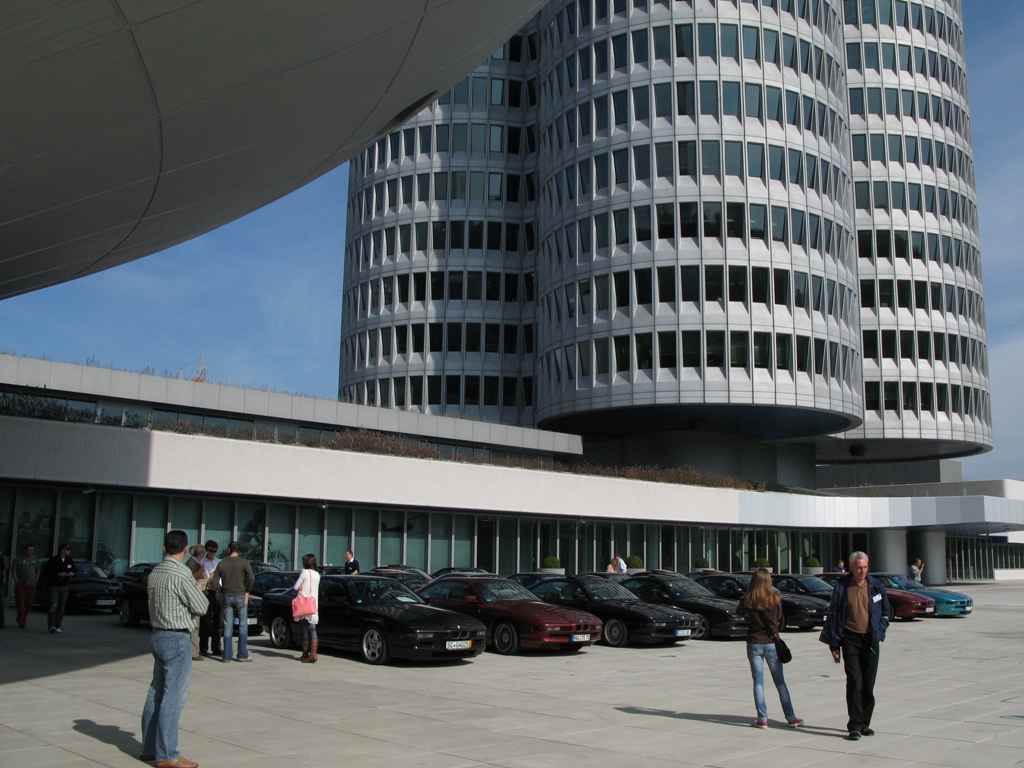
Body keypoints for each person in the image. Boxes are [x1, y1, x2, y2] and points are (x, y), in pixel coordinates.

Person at [140, 529, 208, 768]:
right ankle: (168, 754)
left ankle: (149, 748)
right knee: (174, 696)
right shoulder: (181, 573)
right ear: (186, 549)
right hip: (177, 637)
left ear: (164, 548)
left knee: (156, 692)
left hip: (157, 634)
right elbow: (201, 606)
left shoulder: (156, 572)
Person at [819, 551, 891, 741]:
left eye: (865, 567)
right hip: (850, 639)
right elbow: (834, 615)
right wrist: (834, 645)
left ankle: (865, 723)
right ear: (851, 567)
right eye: (859, 567)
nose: (863, 571)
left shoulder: (876, 586)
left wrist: (880, 629)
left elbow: (886, 611)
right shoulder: (842, 586)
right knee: (854, 681)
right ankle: (855, 725)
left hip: (870, 641)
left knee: (868, 684)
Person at [736, 568, 803, 729]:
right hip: (772, 643)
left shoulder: (748, 599)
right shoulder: (775, 599)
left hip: (754, 642)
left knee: (758, 683)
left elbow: (739, 612)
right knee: (780, 682)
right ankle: (791, 717)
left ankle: (762, 719)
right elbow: (778, 618)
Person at [213, 541, 255, 662]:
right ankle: (242, 654)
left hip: (227, 595)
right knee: (242, 625)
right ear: (239, 550)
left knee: (227, 626)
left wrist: (221, 590)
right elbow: (251, 577)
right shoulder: (244, 562)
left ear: (229, 550)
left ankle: (227, 656)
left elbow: (214, 582)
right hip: (241, 594)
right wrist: (247, 591)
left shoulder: (222, 563)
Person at [292, 553, 322, 663]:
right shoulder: (317, 574)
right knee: (312, 628)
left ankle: (305, 654)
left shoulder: (304, 572)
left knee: (304, 627)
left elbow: (296, 586)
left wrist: (300, 587)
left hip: (304, 603)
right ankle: (313, 654)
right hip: (313, 604)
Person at [44, 543, 77, 634]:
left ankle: (58, 625)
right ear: (62, 550)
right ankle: (51, 626)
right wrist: (58, 574)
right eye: (67, 549)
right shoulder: (53, 560)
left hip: (65, 586)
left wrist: (72, 573)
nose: (69, 551)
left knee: (61, 608)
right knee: (53, 607)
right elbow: (48, 572)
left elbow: (74, 570)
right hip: (55, 586)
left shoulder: (69, 560)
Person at [197, 540, 222, 657]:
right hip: (206, 592)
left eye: (214, 551)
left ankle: (216, 647)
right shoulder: (201, 562)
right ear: (206, 550)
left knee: (219, 621)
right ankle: (203, 648)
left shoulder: (219, 562)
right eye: (210, 551)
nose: (212, 553)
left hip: (218, 591)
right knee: (205, 621)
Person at [186, 545, 207, 661]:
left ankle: (195, 650)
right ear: (201, 553)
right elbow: (190, 578)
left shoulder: (196, 563)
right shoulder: (192, 564)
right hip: (194, 597)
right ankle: (194, 652)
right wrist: (201, 571)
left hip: (199, 595)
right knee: (194, 625)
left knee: (197, 625)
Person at [11, 543, 40, 629]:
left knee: (29, 603)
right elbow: (14, 571)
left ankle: (21, 617)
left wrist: (36, 580)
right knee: (21, 603)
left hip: (32, 584)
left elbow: (38, 569)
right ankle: (22, 622)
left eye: (32, 550)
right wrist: (17, 581)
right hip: (22, 584)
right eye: (29, 550)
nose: (31, 552)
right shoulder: (18, 559)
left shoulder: (34, 558)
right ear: (25, 550)